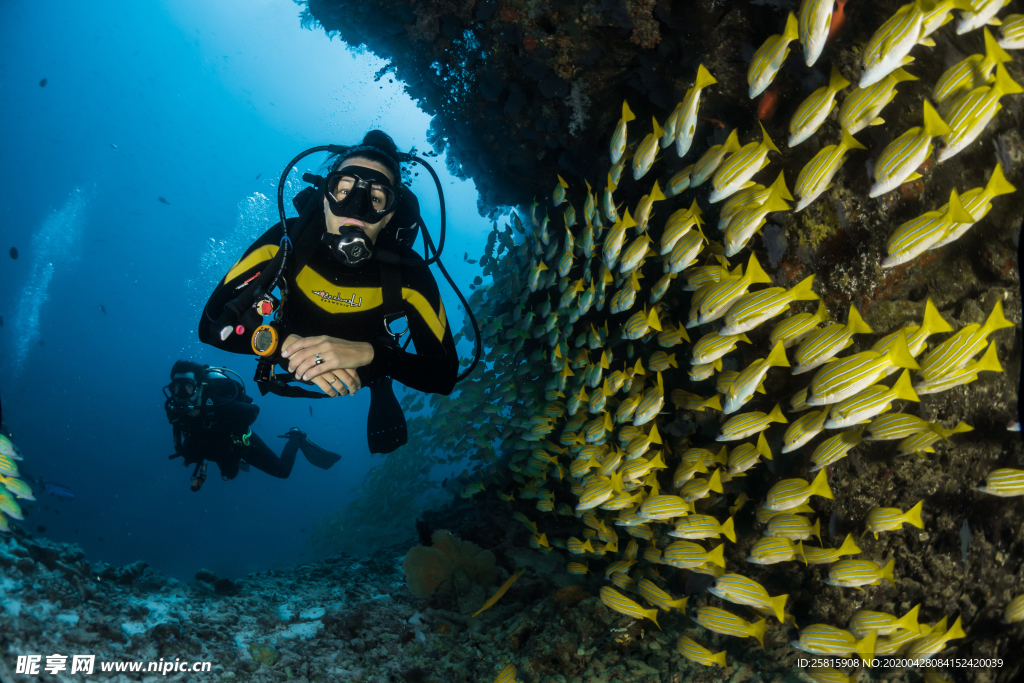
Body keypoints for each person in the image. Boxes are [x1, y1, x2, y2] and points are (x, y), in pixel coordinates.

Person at [197, 130, 459, 452]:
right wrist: (279, 344)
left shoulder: (409, 273)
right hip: (284, 346)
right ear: (325, 196)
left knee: (379, 373)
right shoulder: (286, 241)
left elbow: (443, 375)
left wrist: (371, 355)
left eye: (376, 198)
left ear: (390, 214)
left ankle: (379, 383)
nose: (357, 209)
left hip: (366, 367)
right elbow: (211, 326)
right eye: (344, 190)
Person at [164, 361, 340, 491]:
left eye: (187, 386)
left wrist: (231, 427)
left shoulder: (218, 403)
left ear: (200, 387)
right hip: (215, 449)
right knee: (231, 475)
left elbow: (253, 410)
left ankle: (296, 436)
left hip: (241, 444)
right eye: (175, 387)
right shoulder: (176, 412)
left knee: (283, 471)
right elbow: (180, 440)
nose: (180, 394)